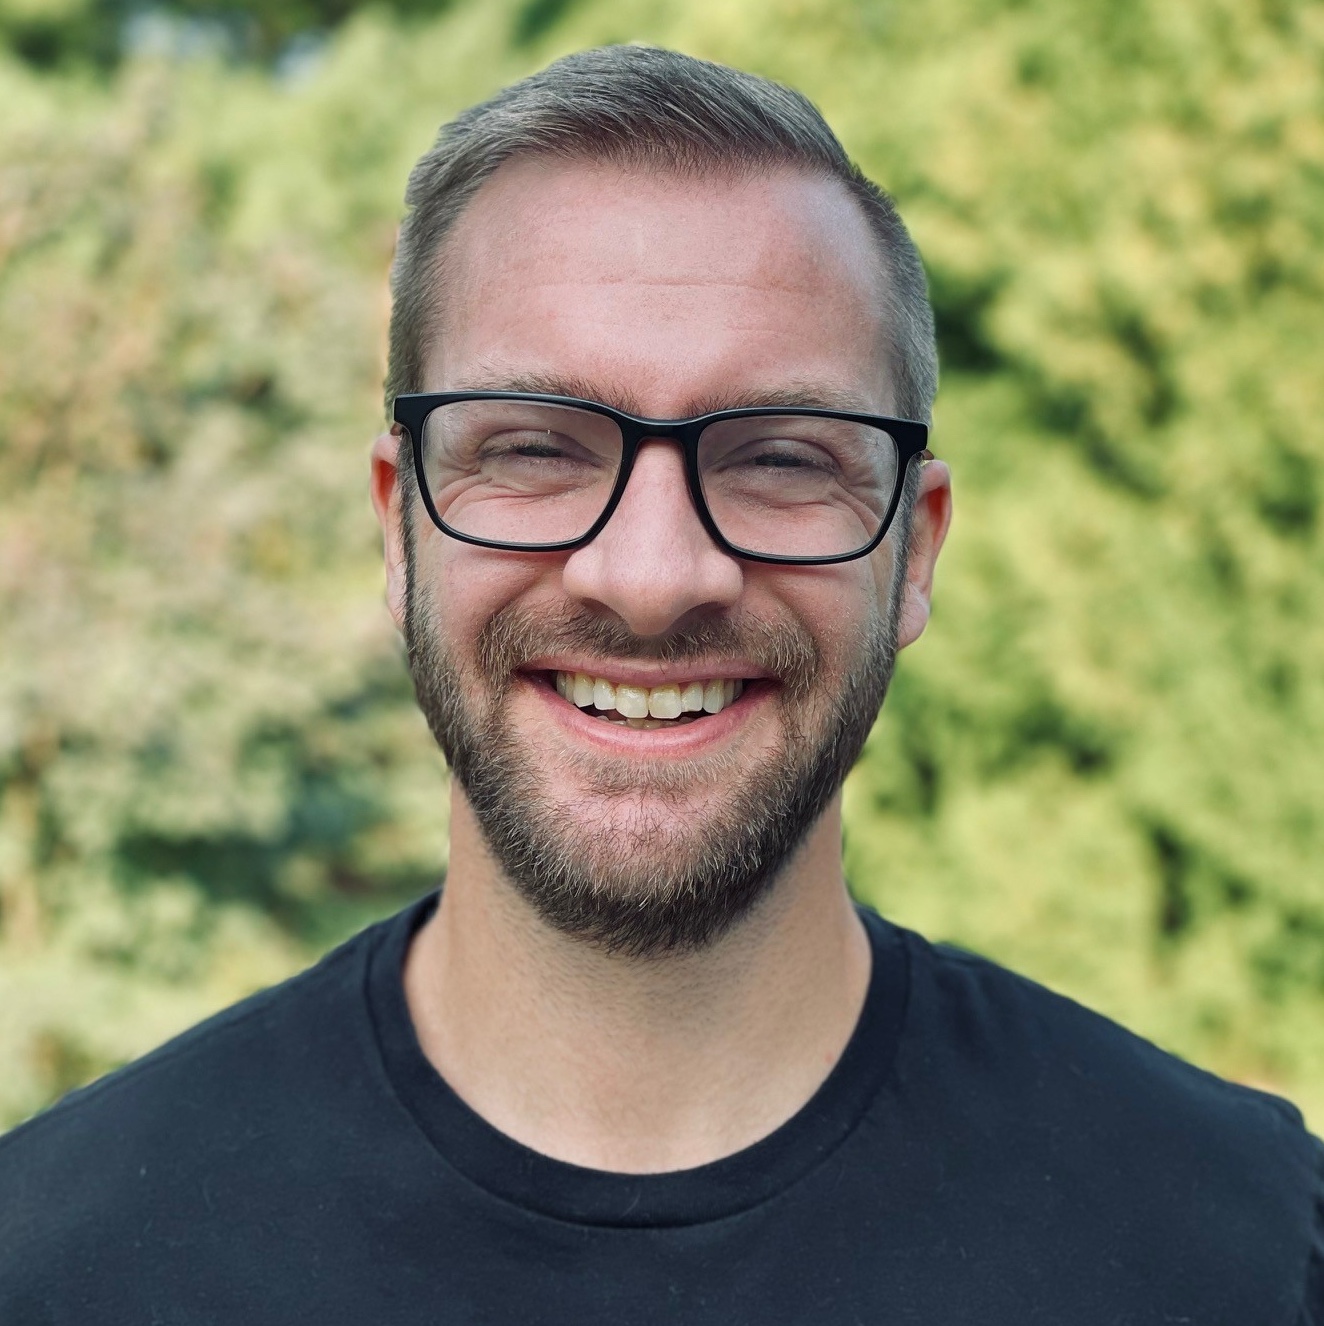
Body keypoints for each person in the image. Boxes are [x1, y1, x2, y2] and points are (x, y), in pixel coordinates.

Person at [1, 44, 1320, 1325]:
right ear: (399, 526)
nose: (651, 575)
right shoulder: (57, 1265)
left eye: (781, 458)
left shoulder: (1248, 1249)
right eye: (535, 448)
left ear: (914, 550)